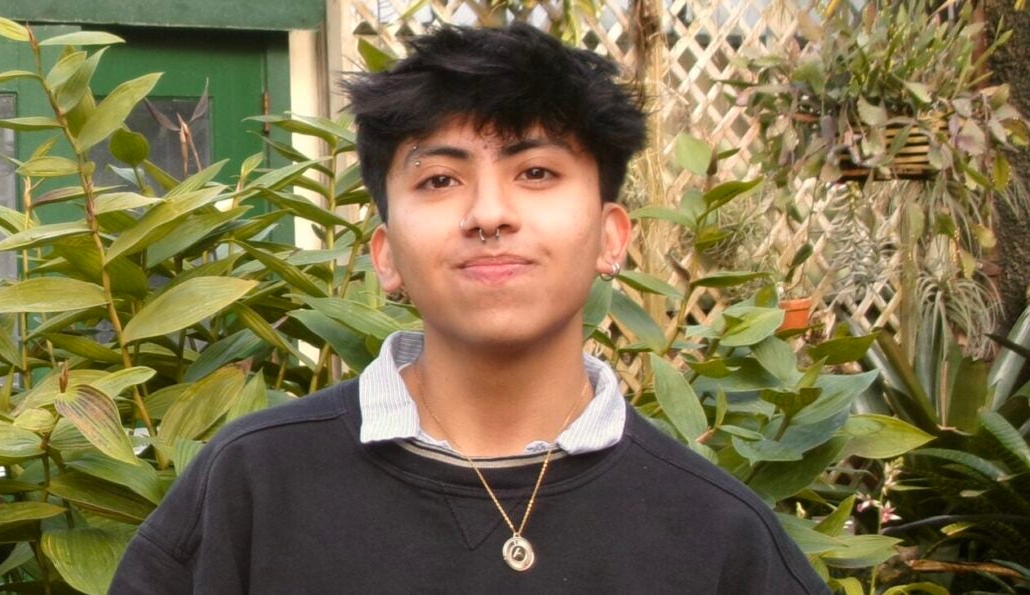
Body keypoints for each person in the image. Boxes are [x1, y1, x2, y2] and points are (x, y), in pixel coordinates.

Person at [110, 24, 828, 594]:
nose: (489, 213)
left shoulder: (717, 533)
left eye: (537, 172)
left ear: (612, 238)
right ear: (385, 255)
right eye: (442, 178)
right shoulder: (254, 486)